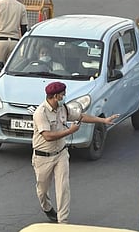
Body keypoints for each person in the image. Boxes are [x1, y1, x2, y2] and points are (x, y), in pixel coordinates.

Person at [32, 81, 120, 223]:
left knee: (63, 188)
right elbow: (47, 136)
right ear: (55, 96)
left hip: (60, 154)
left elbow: (81, 116)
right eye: (63, 95)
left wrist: (103, 120)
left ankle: (63, 221)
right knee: (42, 190)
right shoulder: (41, 113)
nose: (65, 97)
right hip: (43, 157)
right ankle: (47, 207)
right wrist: (69, 131)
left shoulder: (63, 108)